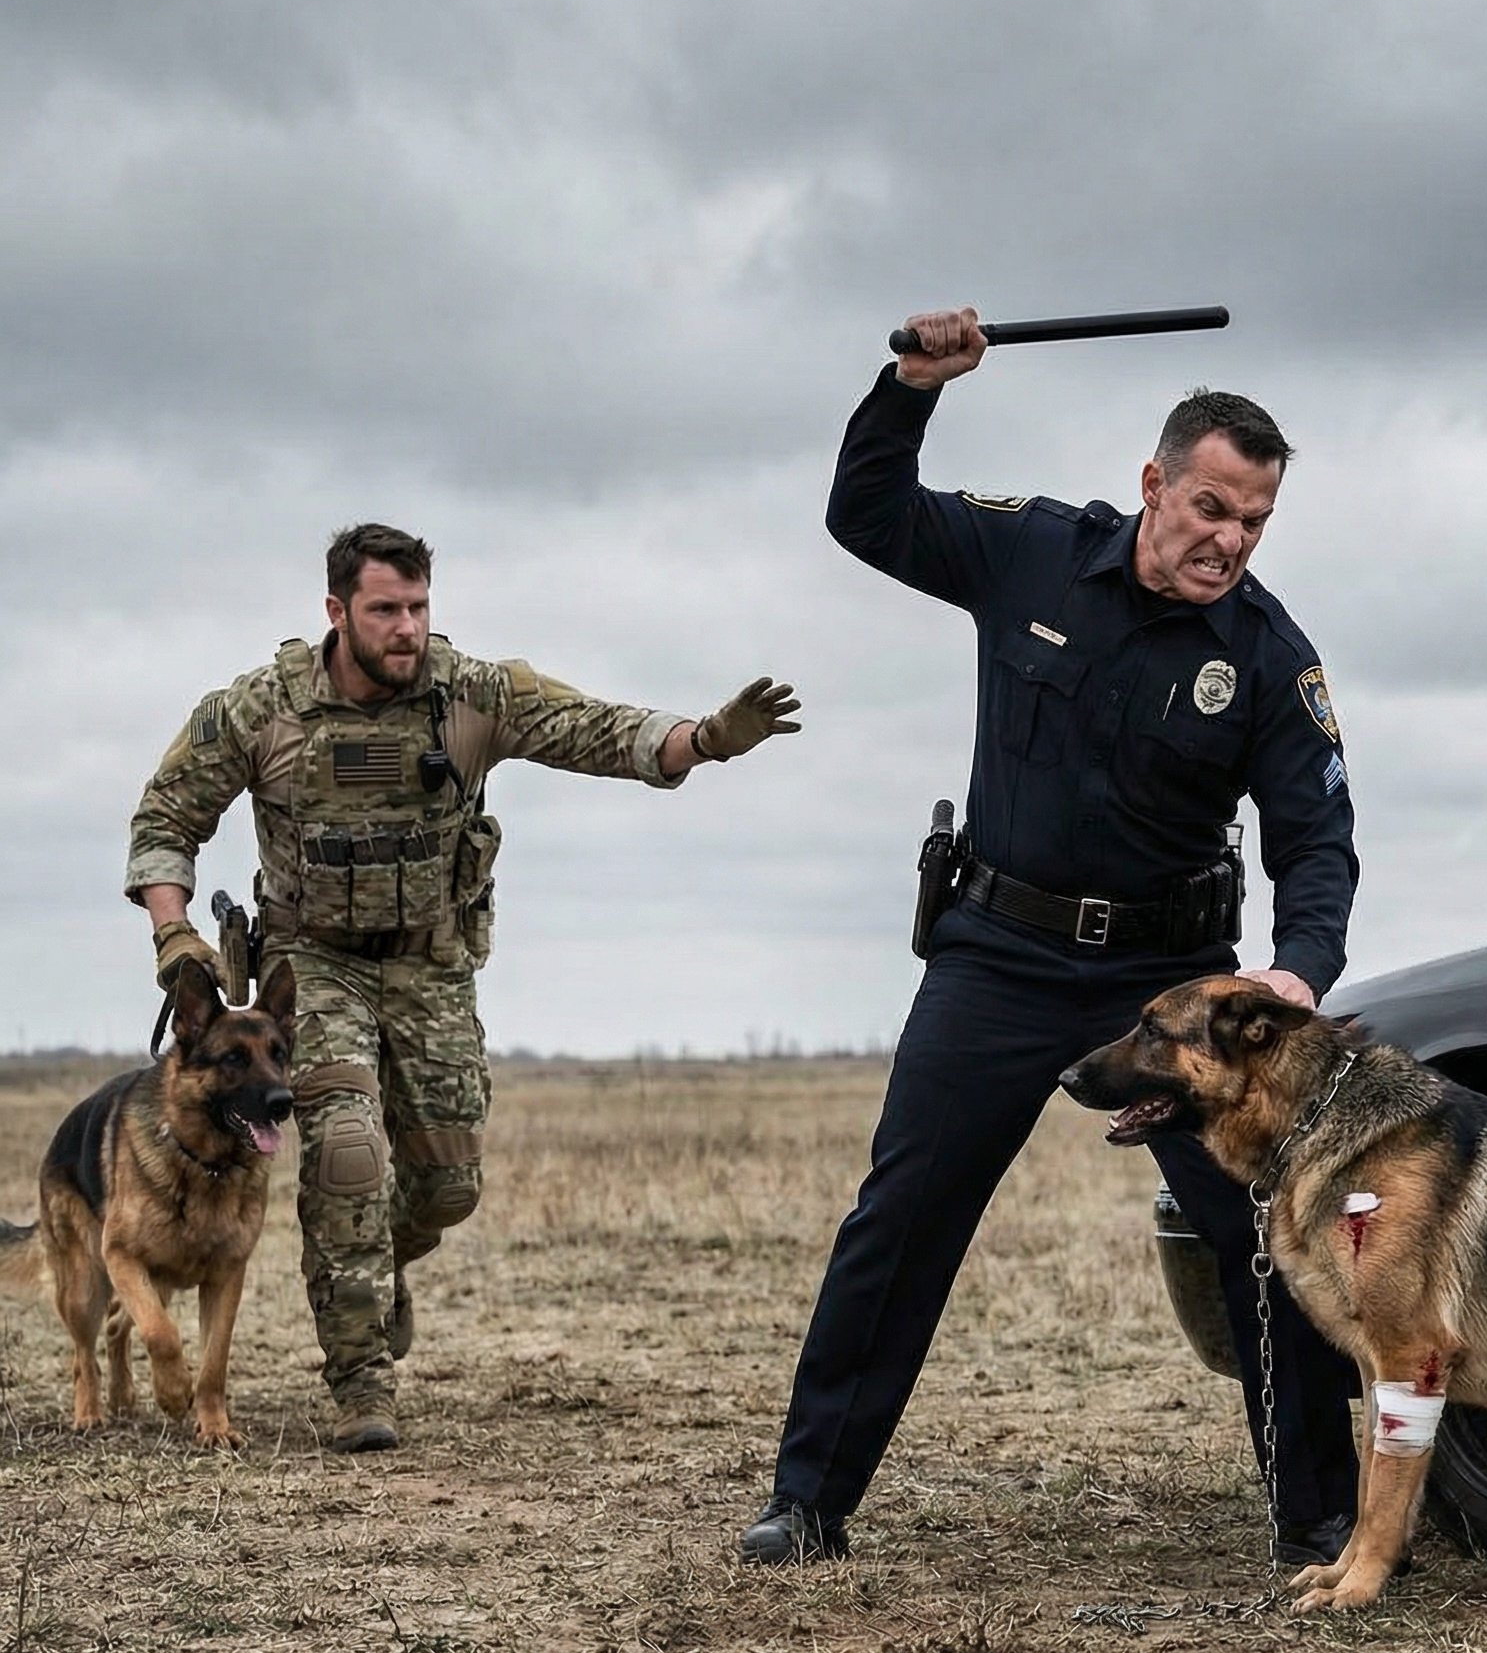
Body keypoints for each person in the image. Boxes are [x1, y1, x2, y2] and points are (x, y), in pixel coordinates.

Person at [741, 307, 1361, 1569]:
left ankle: (1318, 1520)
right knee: (902, 1213)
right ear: (1153, 484)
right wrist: (909, 385)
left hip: (1165, 987)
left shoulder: (1265, 657)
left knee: (1263, 1225)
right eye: (1207, 509)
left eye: (1251, 523)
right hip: (999, 956)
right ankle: (808, 1500)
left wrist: (1294, 970)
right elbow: (867, 515)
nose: (1226, 541)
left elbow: (1319, 840)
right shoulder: (1029, 553)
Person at [126, 522, 801, 1452]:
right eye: (384, 610)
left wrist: (706, 739)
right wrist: (174, 933)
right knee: (348, 1153)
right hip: (309, 963)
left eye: (418, 607)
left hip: (431, 961)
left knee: (447, 1185)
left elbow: (597, 729)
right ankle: (363, 1381)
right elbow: (166, 818)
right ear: (337, 612)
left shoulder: (472, 695)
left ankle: (375, 1264)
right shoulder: (260, 710)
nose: (406, 628)